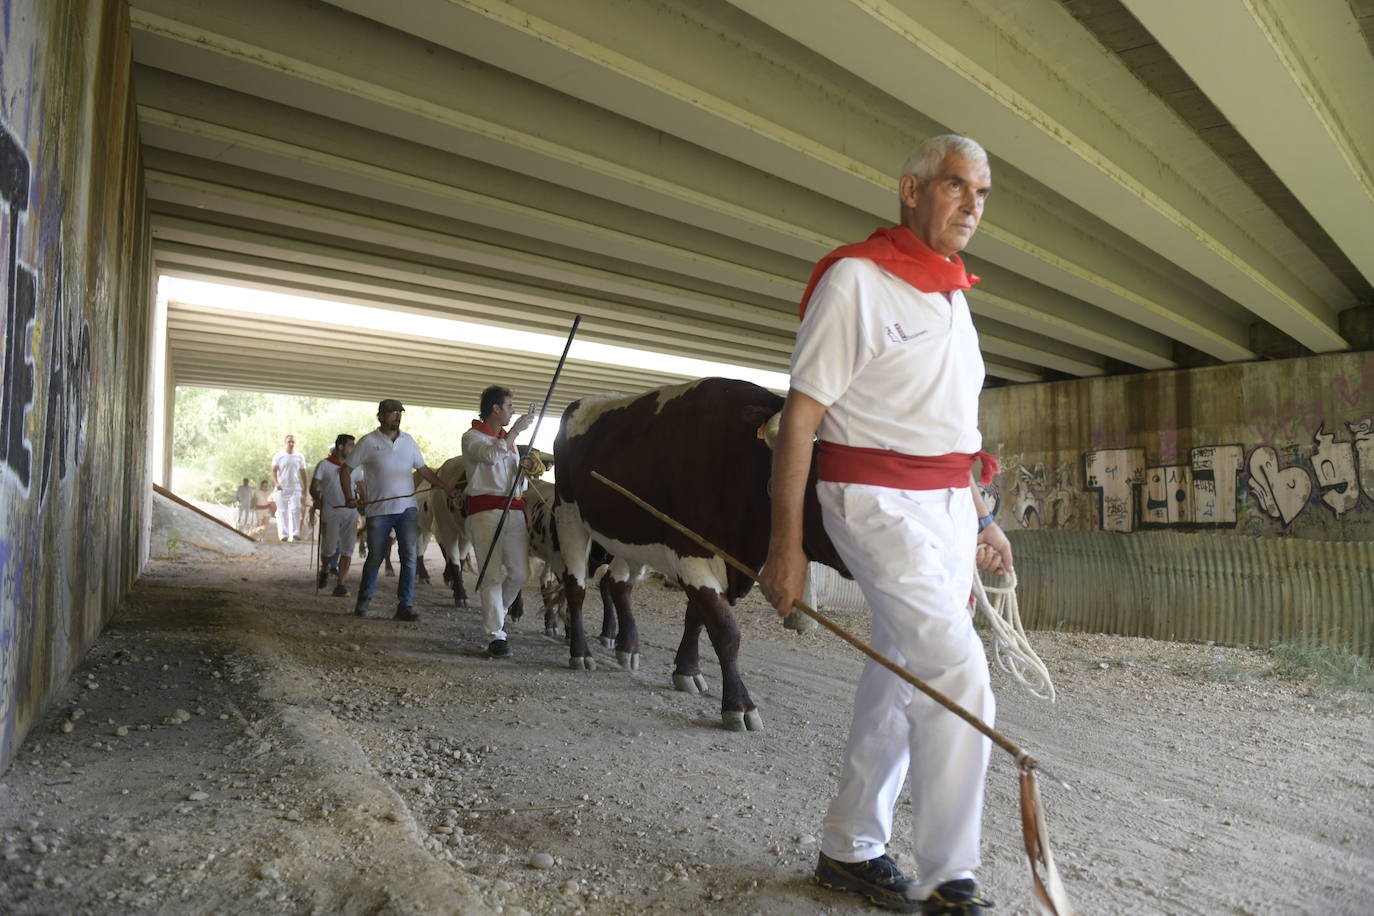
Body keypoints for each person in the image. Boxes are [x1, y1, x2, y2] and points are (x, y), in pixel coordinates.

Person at [758, 135, 1013, 916]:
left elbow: (952, 431)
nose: (973, 204)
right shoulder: (856, 280)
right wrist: (787, 548)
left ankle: (849, 847)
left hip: (943, 506)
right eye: (956, 186)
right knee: (958, 668)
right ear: (910, 189)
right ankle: (948, 878)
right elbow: (801, 421)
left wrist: (984, 516)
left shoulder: (952, 295)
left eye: (983, 193)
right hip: (871, 500)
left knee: (901, 666)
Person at [341, 399, 457, 620]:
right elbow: (345, 471)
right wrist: (349, 496)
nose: (397, 416)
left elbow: (423, 469)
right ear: (381, 416)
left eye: (399, 413)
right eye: (392, 413)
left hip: (407, 510)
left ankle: (405, 605)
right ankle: (363, 601)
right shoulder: (368, 442)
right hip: (378, 510)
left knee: (409, 557)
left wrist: (444, 487)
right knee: (375, 557)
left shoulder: (408, 441)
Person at [461, 386, 537, 658]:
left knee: (520, 573)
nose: (513, 411)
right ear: (495, 408)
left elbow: (513, 476)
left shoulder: (509, 441)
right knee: (491, 575)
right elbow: (490, 457)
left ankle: (498, 615)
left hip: (513, 510)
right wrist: (515, 432)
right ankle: (496, 635)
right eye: (509, 406)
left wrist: (524, 468)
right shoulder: (472, 436)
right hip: (485, 511)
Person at [311, 434, 362, 596]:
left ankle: (341, 584)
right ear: (340, 447)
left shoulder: (356, 467)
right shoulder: (324, 465)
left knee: (348, 548)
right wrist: (317, 499)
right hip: (331, 510)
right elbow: (314, 487)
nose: (353, 449)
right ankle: (325, 568)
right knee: (329, 548)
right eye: (350, 446)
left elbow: (361, 486)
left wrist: (365, 503)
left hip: (351, 512)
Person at [271, 434, 308, 542]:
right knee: (283, 511)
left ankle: (296, 533)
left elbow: (303, 472)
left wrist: (306, 488)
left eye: (293, 442)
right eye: (289, 442)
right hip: (281, 488)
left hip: (295, 488)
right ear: (285, 443)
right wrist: (276, 483)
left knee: (295, 509)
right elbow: (273, 471)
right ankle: (285, 534)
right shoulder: (279, 456)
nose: (291, 444)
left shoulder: (299, 456)